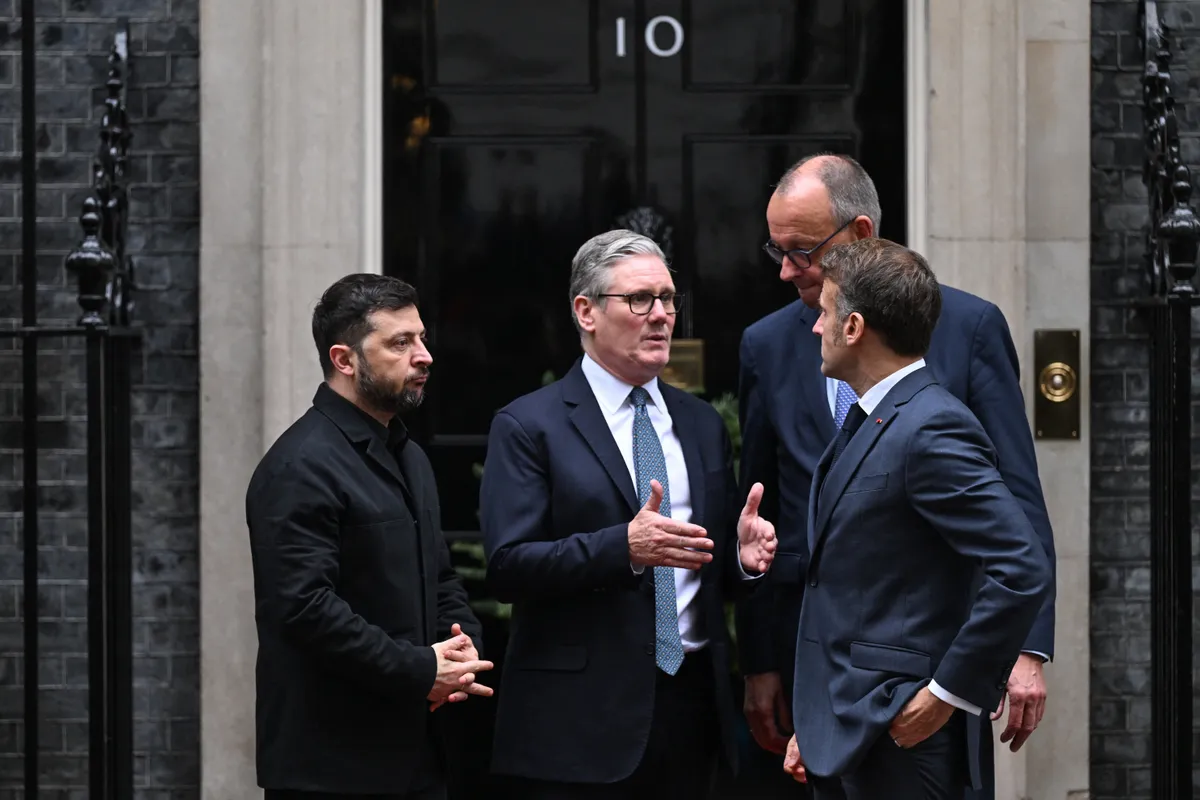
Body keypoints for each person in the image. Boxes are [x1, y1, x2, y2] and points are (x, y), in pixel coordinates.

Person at [735, 154, 1056, 798]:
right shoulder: (766, 344)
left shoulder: (966, 332)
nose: (784, 269)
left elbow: (1014, 509)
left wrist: (1013, 654)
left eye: (801, 252)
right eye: (777, 248)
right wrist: (765, 651)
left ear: (857, 235)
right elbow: (769, 495)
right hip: (819, 671)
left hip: (917, 675)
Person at [479, 229, 778, 799]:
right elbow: (509, 565)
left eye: (668, 299)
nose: (662, 315)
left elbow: (706, 568)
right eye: (640, 299)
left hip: (691, 710)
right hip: (578, 724)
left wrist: (743, 560)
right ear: (586, 312)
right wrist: (624, 547)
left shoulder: (700, 424)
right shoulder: (529, 426)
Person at [245, 274, 494, 800]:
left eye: (421, 338)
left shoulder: (411, 456)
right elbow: (305, 609)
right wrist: (421, 668)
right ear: (344, 359)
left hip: (420, 755)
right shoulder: (298, 466)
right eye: (400, 343)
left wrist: (461, 648)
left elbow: (439, 575)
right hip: (331, 768)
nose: (423, 356)